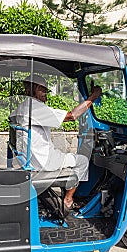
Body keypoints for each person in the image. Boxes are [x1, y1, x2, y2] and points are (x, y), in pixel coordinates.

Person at [10, 74, 102, 210]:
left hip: (31, 158)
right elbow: (72, 116)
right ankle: (68, 200)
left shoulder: (23, 106)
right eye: (42, 89)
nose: (45, 92)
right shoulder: (36, 108)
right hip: (44, 161)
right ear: (31, 89)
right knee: (82, 161)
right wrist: (93, 97)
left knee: (69, 157)